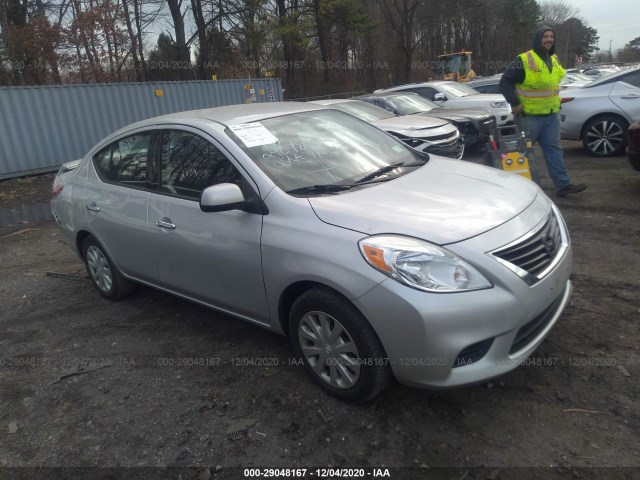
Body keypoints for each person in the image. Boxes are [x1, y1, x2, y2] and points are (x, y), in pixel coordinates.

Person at [499, 26, 587, 197]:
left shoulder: (553, 59)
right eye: (545, 37)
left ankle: (563, 185)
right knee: (521, 152)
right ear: (538, 39)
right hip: (528, 117)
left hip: (551, 115)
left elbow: (555, 80)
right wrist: (514, 103)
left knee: (554, 149)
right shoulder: (523, 59)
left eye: (551, 37)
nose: (549, 40)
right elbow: (505, 82)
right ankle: (519, 189)